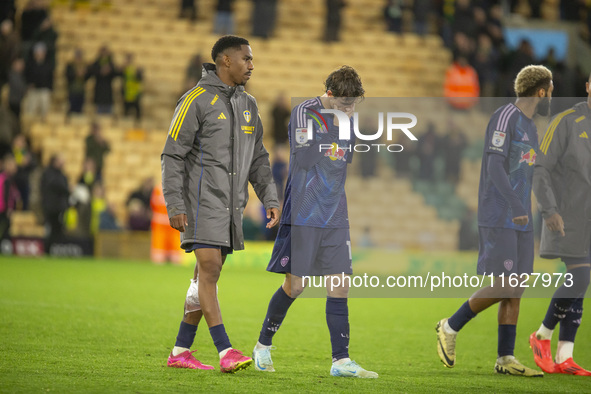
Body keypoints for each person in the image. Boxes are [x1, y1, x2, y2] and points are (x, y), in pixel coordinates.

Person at [161, 35, 280, 373]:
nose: (252, 65)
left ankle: (180, 351)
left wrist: (269, 196)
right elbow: (172, 155)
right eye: (247, 59)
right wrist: (175, 203)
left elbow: (258, 158)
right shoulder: (195, 100)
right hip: (200, 201)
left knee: (204, 277)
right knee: (210, 269)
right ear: (225, 61)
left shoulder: (250, 105)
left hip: (232, 206)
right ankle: (225, 350)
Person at [251, 65, 378, 378]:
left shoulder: (347, 118)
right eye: (345, 104)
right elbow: (306, 157)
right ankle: (262, 346)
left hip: (335, 213)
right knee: (296, 285)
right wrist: (332, 129)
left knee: (340, 284)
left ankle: (341, 361)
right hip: (305, 212)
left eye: (354, 105)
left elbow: (342, 162)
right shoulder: (303, 112)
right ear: (330, 94)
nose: (350, 110)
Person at [436, 65, 553, 376]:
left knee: (517, 286)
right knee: (503, 284)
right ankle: (450, 325)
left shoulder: (532, 127)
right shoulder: (505, 117)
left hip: (521, 217)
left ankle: (505, 358)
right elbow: (495, 166)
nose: (551, 95)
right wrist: (516, 204)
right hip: (499, 213)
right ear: (541, 91)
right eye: (550, 90)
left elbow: (533, 171)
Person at [528, 75, 591, 376]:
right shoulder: (566, 121)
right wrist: (549, 210)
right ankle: (542, 335)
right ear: (588, 85)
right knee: (580, 277)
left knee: (581, 281)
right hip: (568, 216)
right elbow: (540, 167)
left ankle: (565, 354)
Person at [40, 154, 69, 251]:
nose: (63, 162)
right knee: (50, 230)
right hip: (51, 208)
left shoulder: (60, 174)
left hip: (58, 208)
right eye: (60, 160)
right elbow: (59, 186)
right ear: (54, 161)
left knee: (58, 230)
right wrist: (68, 189)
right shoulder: (49, 173)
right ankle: (47, 250)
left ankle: (54, 250)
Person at [0, 154, 19, 241]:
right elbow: (6, 195)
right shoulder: (6, 179)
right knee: (5, 229)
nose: (15, 167)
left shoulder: (4, 178)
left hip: (3, 208)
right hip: (3, 209)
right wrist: (9, 208)